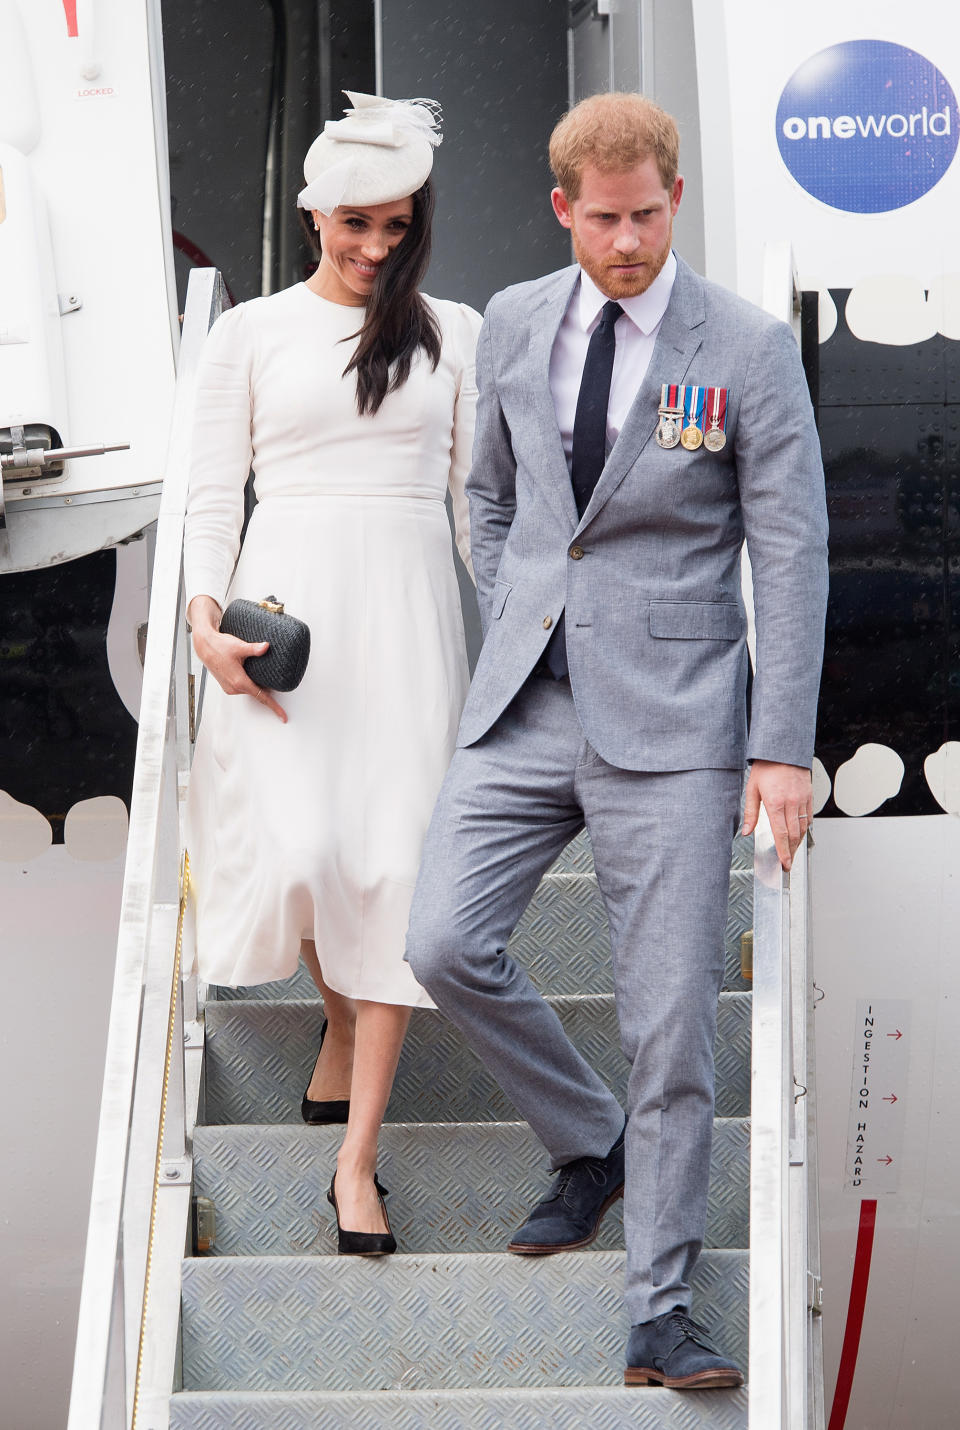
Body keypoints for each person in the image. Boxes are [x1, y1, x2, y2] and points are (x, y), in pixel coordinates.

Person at [405, 92, 828, 1387]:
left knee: (672, 1026)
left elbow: (794, 548)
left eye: (649, 215)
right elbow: (490, 492)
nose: (629, 239)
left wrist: (779, 746)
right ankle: (592, 1137)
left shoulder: (746, 347)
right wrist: (525, 606)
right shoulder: (521, 319)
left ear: (675, 200)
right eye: (606, 219)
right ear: (563, 211)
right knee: (441, 940)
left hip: (684, 722)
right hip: (527, 699)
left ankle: (661, 1309)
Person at [184, 92, 480, 1255]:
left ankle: (356, 1161)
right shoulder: (248, 332)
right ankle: (339, 1015)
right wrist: (207, 624)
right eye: (357, 223)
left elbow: (475, 511)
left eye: (398, 226)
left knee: (395, 876)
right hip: (285, 619)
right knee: (302, 851)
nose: (375, 248)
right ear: (315, 212)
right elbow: (213, 496)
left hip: (407, 626)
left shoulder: (452, 329)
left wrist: (526, 632)